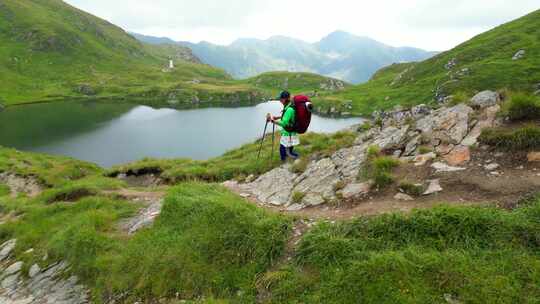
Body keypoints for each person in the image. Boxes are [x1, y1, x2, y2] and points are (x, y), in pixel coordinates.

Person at [268, 91, 300, 162]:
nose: (280, 100)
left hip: (288, 133)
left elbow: (284, 123)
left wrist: (273, 121)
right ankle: (292, 155)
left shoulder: (289, 109)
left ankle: (285, 161)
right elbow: (289, 117)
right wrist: (278, 117)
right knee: (290, 147)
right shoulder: (290, 106)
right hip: (292, 131)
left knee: (282, 149)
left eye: (281, 99)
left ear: (286, 99)